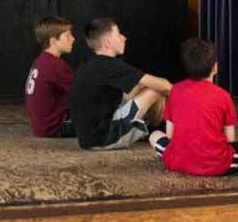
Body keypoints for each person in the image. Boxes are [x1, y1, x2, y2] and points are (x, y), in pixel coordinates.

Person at [149, 38, 238, 176]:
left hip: (177, 161)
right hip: (217, 164)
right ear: (215, 68)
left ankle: (189, 160)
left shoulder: (175, 90)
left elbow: (170, 136)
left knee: (154, 135)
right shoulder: (223, 96)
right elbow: (230, 140)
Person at [69, 18, 172, 150]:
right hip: (103, 138)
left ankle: (153, 128)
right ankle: (171, 139)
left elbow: (128, 94)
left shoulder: (88, 65)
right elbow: (165, 86)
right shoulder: (110, 65)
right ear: (107, 42)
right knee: (157, 88)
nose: (124, 38)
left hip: (88, 138)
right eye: (118, 34)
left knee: (142, 85)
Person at [24, 16, 78, 137]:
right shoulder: (56, 65)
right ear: (53, 41)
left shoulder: (41, 60)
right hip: (55, 127)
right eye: (68, 35)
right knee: (106, 122)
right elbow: (83, 92)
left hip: (41, 126)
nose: (73, 39)